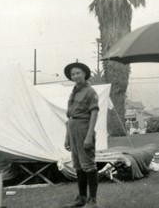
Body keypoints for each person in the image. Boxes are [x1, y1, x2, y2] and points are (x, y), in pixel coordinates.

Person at [63, 62, 99, 208]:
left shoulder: (90, 91)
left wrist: (89, 135)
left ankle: (93, 200)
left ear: (84, 73)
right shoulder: (74, 92)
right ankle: (82, 198)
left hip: (84, 128)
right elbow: (70, 117)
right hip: (73, 129)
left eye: (78, 73)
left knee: (88, 164)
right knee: (78, 166)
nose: (75, 76)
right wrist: (67, 137)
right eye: (73, 74)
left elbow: (94, 113)